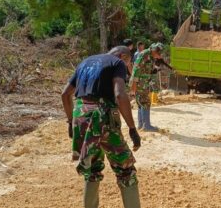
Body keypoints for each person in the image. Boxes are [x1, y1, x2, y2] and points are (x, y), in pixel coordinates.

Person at [61, 46, 142, 208]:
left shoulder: (85, 62)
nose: (126, 66)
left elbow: (65, 94)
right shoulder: (117, 62)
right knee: (125, 169)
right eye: (127, 62)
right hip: (102, 117)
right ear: (123, 56)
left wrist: (71, 122)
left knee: (92, 169)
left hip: (80, 115)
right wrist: (132, 128)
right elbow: (119, 94)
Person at [129, 43, 164, 131]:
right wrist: (134, 86)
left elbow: (149, 71)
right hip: (139, 83)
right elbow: (136, 70)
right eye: (158, 53)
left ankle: (141, 125)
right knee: (145, 102)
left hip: (144, 83)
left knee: (141, 103)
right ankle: (146, 126)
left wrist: (156, 68)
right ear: (154, 50)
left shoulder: (150, 56)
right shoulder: (144, 54)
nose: (158, 55)